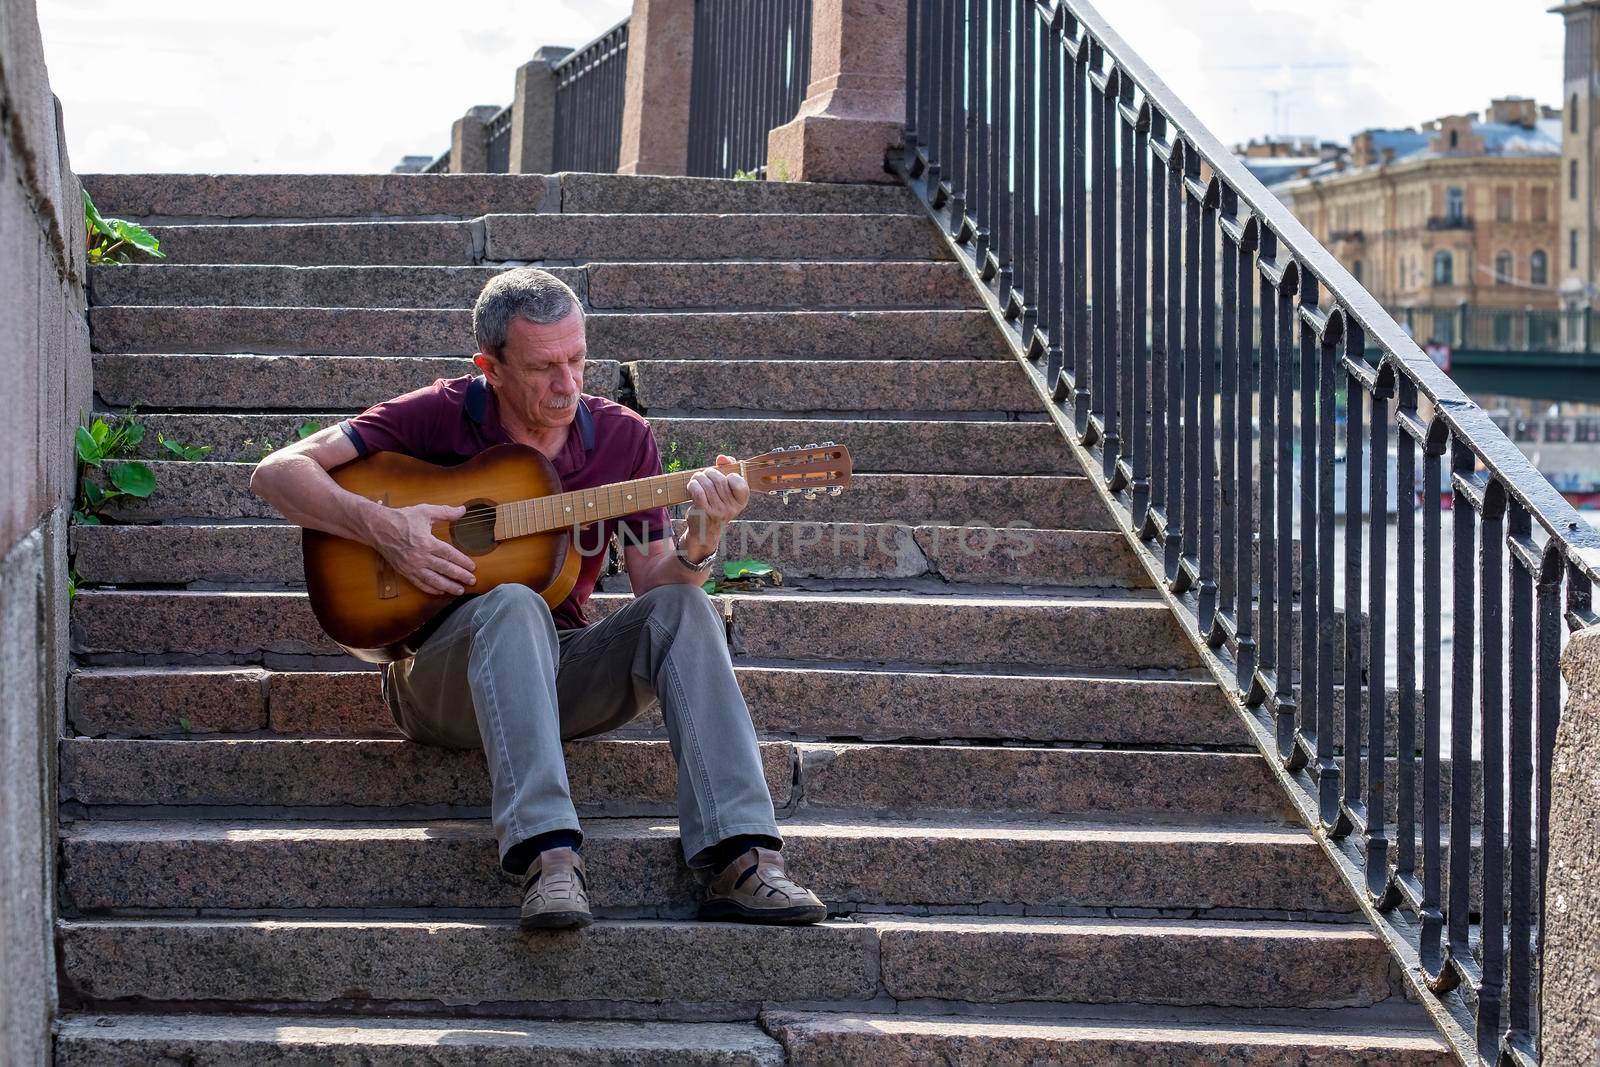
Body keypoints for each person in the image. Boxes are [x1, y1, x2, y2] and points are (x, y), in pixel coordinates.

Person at [250, 266, 826, 931]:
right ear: (488, 366)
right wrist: (385, 526)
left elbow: (655, 583)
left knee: (688, 608)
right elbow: (276, 472)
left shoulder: (621, 438)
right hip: (441, 680)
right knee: (514, 600)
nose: (568, 384)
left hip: (560, 675)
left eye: (578, 359)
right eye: (543, 367)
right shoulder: (439, 414)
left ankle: (744, 855)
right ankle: (549, 858)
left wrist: (704, 534)